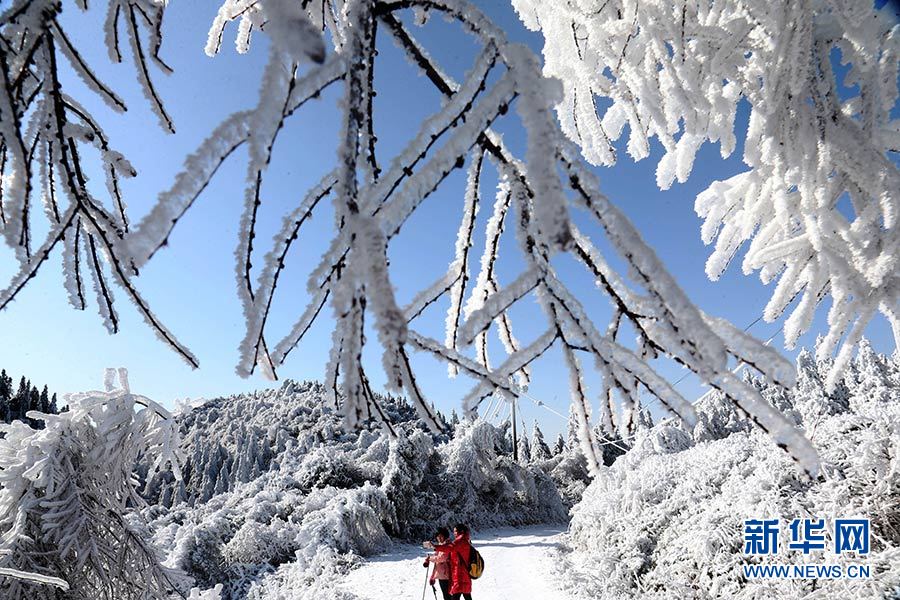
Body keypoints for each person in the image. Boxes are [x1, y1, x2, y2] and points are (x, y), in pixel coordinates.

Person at [424, 523, 473, 600]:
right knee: (464, 596)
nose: (454, 533)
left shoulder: (460, 540)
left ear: (461, 531)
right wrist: (432, 576)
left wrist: (434, 547)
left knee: (452, 596)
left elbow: (447, 551)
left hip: (458, 574)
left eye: (455, 531)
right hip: (460, 574)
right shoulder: (463, 540)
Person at [423, 527, 452, 600]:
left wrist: (430, 558)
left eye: (441, 536)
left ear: (445, 536)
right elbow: (437, 562)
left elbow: (441, 558)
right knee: (446, 595)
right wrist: (433, 576)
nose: (439, 538)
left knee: (447, 596)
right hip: (442, 574)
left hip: (446, 575)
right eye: (438, 536)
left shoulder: (446, 545)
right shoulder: (441, 545)